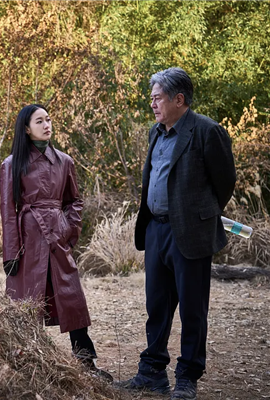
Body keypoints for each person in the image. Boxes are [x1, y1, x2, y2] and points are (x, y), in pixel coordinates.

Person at [117, 68, 236, 399]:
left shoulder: (207, 131)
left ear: (179, 99)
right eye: (152, 98)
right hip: (156, 230)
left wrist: (198, 215)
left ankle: (187, 377)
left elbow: (225, 182)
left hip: (191, 232)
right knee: (156, 305)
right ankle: (152, 372)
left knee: (192, 310)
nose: (152, 104)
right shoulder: (156, 132)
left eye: (157, 98)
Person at [0, 104, 112, 382]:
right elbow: (8, 210)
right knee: (26, 302)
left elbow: (74, 201)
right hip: (27, 240)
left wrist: (69, 231)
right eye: (39, 121)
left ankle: (86, 362)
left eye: (48, 119)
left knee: (72, 297)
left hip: (58, 239)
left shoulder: (64, 161)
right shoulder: (12, 164)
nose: (47, 124)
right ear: (27, 129)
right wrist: (11, 252)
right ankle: (25, 365)